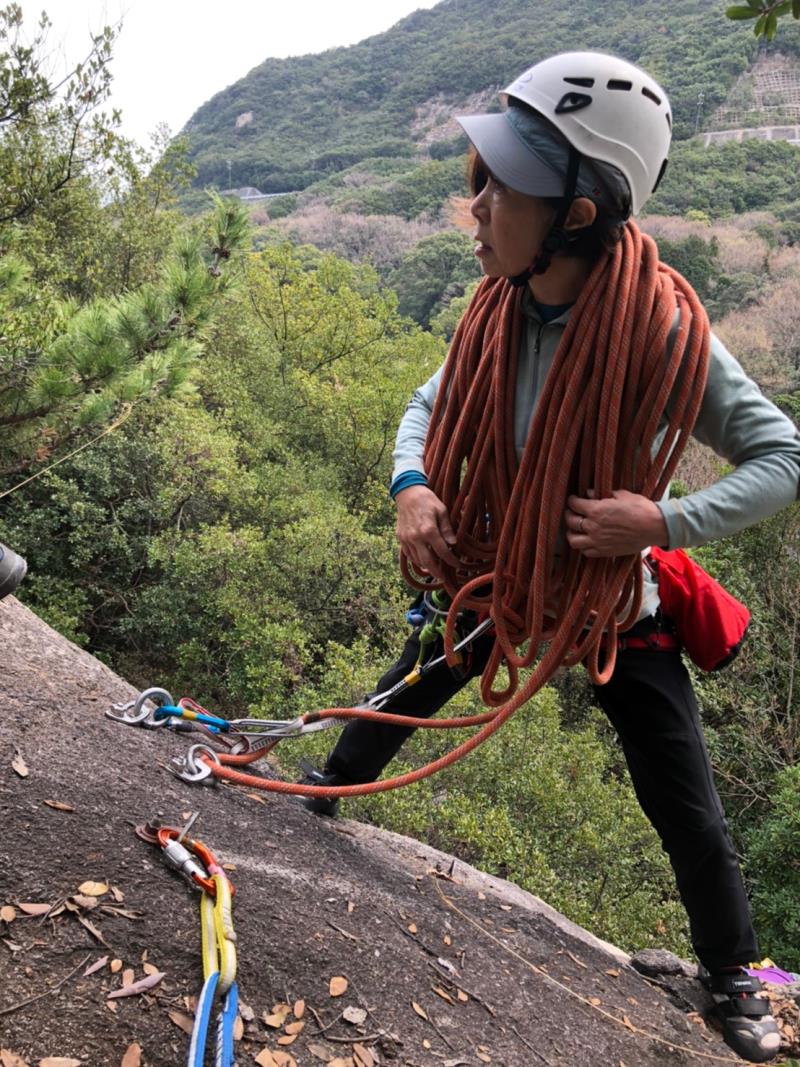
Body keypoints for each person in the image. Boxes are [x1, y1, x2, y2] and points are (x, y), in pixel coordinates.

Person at [300, 52, 800, 1061]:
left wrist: (657, 523)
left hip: (613, 598)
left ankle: (732, 977)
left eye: (503, 188)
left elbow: (781, 456)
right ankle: (323, 794)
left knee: (687, 806)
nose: (474, 206)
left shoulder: (660, 330)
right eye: (480, 180)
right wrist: (412, 488)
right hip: (505, 571)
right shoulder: (498, 306)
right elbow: (428, 403)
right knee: (409, 684)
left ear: (575, 214)